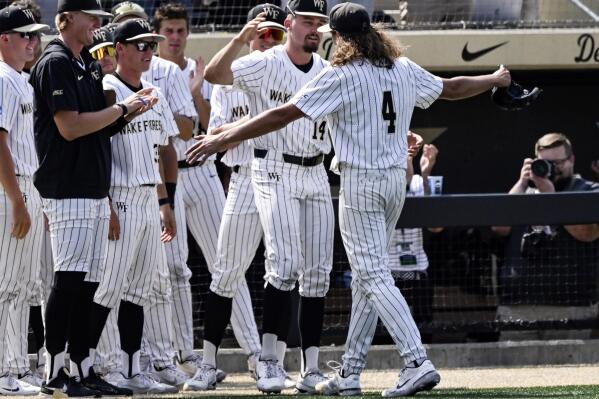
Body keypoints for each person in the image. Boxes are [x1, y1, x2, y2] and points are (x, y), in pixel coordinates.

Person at [185, 2, 512, 396]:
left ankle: (415, 359)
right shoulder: (402, 68)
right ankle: (351, 371)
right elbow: (453, 88)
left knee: (372, 274)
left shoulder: (341, 74)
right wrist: (494, 78)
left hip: (361, 183)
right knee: (363, 278)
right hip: (393, 183)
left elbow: (284, 114)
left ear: (339, 38)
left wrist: (224, 136)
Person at [199, 0, 335, 393]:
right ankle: (260, 361)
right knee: (257, 267)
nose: (314, 28)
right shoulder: (264, 61)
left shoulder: (327, 71)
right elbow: (215, 74)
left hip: (314, 170)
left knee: (318, 274)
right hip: (267, 166)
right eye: (307, 21)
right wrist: (241, 38)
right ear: (292, 23)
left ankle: (311, 368)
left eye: (319, 23)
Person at [28, 0, 156, 395]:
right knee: (68, 280)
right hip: (67, 188)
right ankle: (54, 371)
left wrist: (129, 111)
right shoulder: (55, 61)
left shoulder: (83, 61)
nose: (96, 25)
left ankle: (82, 367)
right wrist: (121, 108)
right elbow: (68, 127)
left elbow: (97, 128)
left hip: (92, 188)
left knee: (89, 283)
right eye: (91, 18)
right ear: (67, 19)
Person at [182, 3, 291, 391]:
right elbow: (217, 130)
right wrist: (240, 38)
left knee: (284, 271)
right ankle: (209, 364)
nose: (267, 39)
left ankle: (271, 362)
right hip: (244, 178)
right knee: (225, 272)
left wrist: (234, 129)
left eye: (275, 32)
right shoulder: (233, 74)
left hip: (284, 176)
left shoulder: (288, 69)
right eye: (261, 32)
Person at [93, 3, 197, 388]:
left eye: (150, 45)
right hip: (117, 195)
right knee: (107, 288)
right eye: (139, 45)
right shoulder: (107, 89)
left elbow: (165, 148)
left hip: (147, 198)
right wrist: (105, 204)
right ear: (118, 48)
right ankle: (103, 366)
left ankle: (134, 367)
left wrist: (165, 201)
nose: (147, 51)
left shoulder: (154, 91)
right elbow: (96, 151)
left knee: (139, 290)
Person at [493, 133, 599, 310]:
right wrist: (522, 183)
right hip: (518, 304)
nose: (552, 168)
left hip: (570, 304)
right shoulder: (523, 194)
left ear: (571, 160)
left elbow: (588, 233)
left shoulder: (588, 191)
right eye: (545, 163)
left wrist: (551, 199)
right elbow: (499, 227)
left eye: (557, 163)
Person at [0, 5, 48, 395]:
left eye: (35, 36)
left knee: (22, 283)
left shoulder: (22, 79)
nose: (33, 42)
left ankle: (15, 367)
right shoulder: (1, 77)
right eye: (25, 35)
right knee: (5, 284)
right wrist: (17, 200)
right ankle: (3, 372)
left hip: (26, 184)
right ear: (4, 39)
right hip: (9, 187)